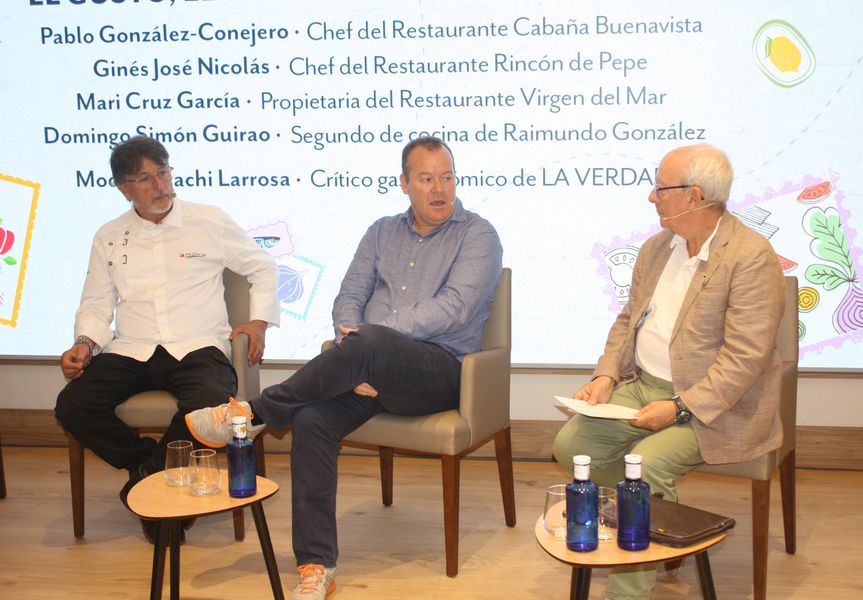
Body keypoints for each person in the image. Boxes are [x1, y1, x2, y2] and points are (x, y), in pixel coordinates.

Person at [187, 136, 503, 600]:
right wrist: (355, 348)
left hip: (439, 372)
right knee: (312, 419)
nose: (440, 189)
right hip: (366, 370)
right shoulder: (380, 232)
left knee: (371, 342)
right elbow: (350, 294)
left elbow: (454, 308)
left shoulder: (478, 234)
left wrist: (369, 344)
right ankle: (316, 564)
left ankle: (255, 412)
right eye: (426, 178)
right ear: (404, 184)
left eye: (447, 177)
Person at [552, 144, 785, 599]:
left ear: (694, 196)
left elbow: (746, 358)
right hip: (644, 386)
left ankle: (629, 588)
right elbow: (627, 320)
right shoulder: (658, 248)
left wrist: (679, 408)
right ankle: (660, 522)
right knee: (572, 447)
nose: (651, 197)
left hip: (718, 406)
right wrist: (605, 376)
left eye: (661, 188)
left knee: (644, 469)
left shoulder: (750, 256)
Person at [55, 136, 280, 541]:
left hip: (198, 347)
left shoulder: (208, 221)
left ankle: (150, 486)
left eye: (163, 173)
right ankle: (149, 469)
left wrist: (258, 322)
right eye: (145, 179)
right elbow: (97, 301)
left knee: (209, 407)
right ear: (124, 188)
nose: (160, 186)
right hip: (132, 349)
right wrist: (84, 344)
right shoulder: (109, 235)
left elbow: (261, 267)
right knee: (73, 405)